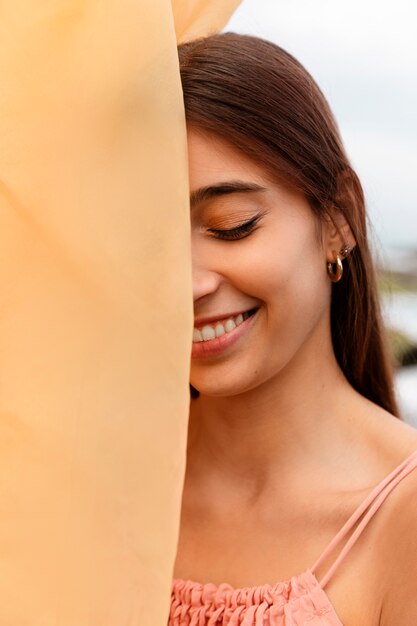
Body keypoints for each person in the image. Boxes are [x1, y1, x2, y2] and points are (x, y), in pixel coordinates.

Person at [169, 33, 417, 625]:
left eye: (232, 225)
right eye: (149, 243)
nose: (188, 283)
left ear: (336, 221)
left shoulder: (401, 517)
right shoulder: (92, 480)